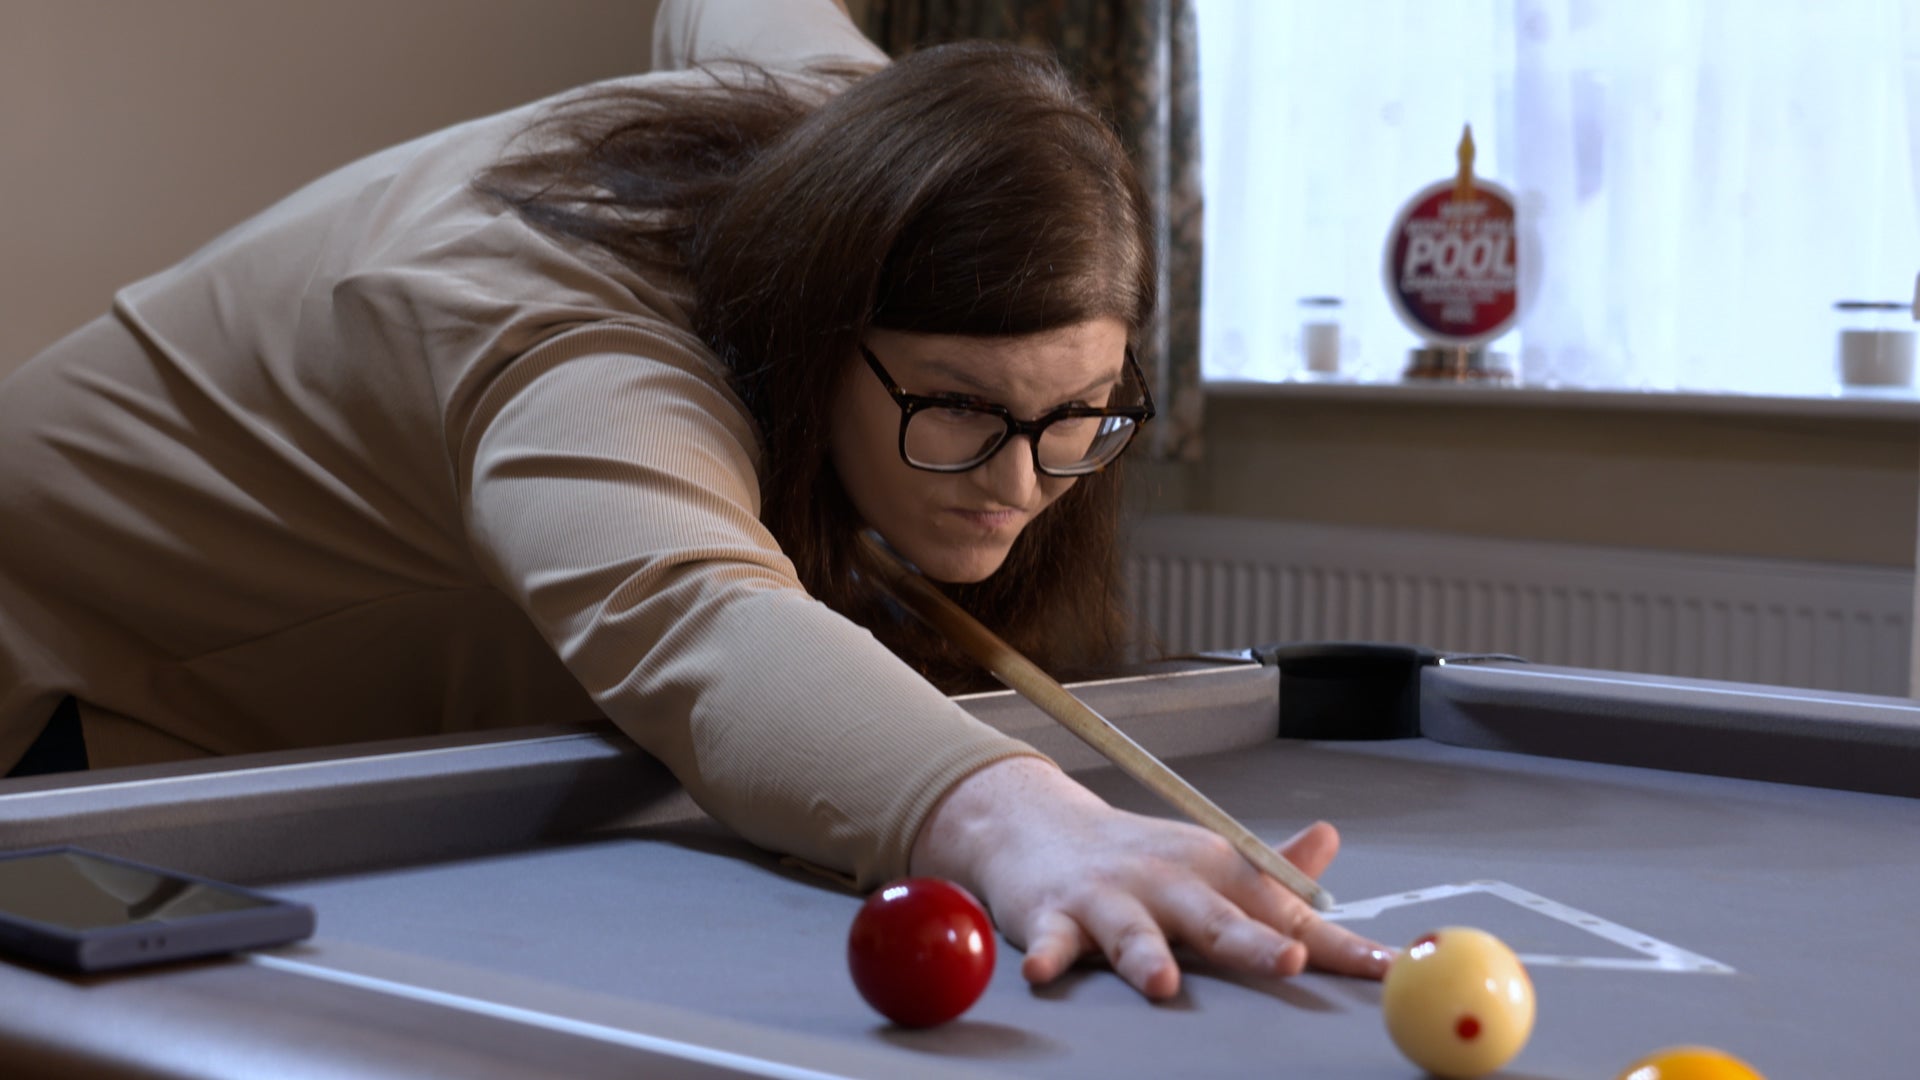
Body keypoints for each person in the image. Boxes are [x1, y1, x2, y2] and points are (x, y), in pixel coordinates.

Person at [0, 0, 1389, 998]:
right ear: (822, 322)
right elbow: (698, 622)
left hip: (324, 670)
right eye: (958, 407)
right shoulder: (569, 348)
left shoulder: (853, 131)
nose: (1025, 482)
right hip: (65, 684)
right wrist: (1023, 818)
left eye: (1077, 409)